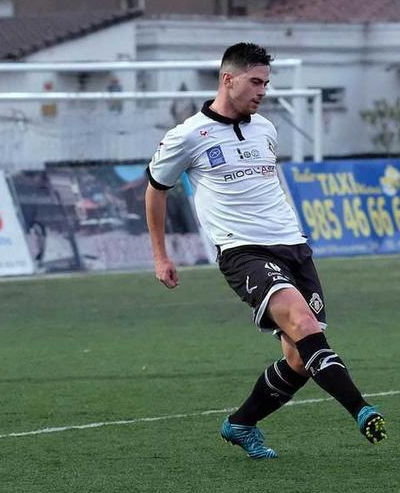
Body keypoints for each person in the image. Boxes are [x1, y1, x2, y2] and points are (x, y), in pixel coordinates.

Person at [145, 43, 386, 460]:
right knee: (304, 323)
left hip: (294, 247)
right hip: (244, 252)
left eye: (266, 83)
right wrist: (160, 255)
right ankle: (361, 409)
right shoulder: (187, 136)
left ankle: (240, 423)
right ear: (228, 79)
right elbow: (155, 189)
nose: (263, 91)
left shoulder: (266, 129)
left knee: (298, 357)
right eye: (255, 82)